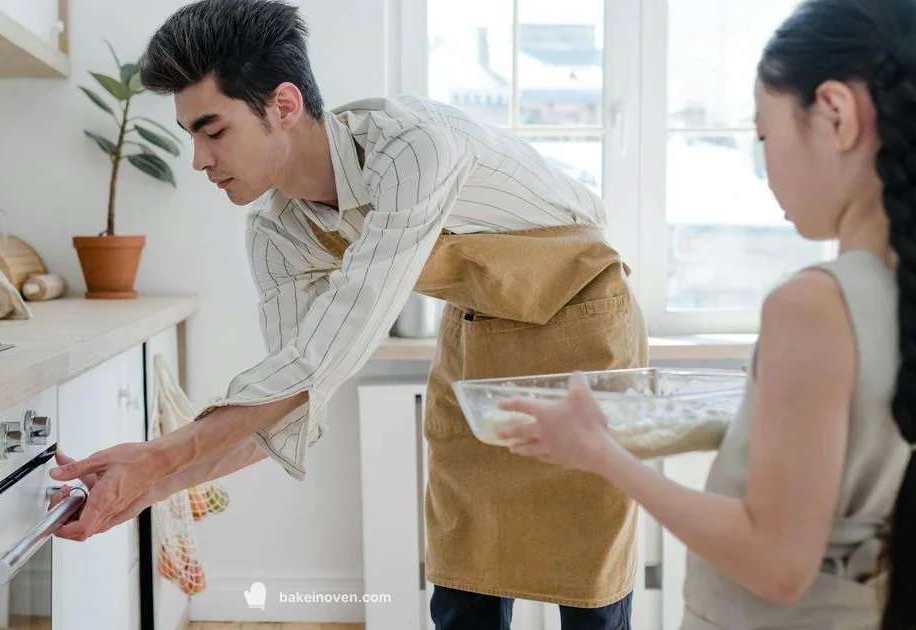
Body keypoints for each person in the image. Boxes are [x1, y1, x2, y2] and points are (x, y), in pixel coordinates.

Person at [48, 0, 648, 627]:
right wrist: (147, 485)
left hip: (581, 324)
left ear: (283, 105)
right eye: (191, 137)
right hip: (478, 336)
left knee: (588, 588)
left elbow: (325, 355)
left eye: (213, 131)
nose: (199, 160)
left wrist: (156, 457)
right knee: (466, 584)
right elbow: (292, 397)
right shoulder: (277, 235)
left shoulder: (413, 151)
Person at [494, 0, 916, 628]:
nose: (763, 165)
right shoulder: (889, 290)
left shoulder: (815, 306)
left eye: (765, 135)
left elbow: (778, 562)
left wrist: (602, 454)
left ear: (835, 113)